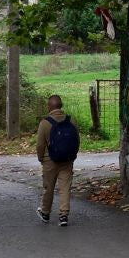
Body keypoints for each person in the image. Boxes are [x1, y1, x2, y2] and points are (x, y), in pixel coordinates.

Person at [36, 94, 80, 227]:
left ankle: (45, 213)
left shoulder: (44, 123)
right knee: (65, 187)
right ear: (61, 106)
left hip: (50, 161)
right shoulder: (72, 121)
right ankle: (63, 215)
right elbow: (77, 140)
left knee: (48, 187)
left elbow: (40, 145)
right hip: (67, 160)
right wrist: (73, 154)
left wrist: (41, 159)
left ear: (49, 107)